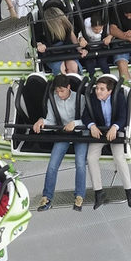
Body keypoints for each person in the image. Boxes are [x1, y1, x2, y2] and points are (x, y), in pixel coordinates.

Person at [34, 74, 89, 211]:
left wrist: (75, 123)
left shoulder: (81, 98)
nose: (59, 94)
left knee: (80, 162)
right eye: (57, 91)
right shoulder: (52, 99)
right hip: (63, 133)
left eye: (62, 91)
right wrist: (42, 121)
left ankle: (79, 196)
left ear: (69, 87)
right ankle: (46, 197)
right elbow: (51, 120)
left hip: (81, 134)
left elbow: (88, 120)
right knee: (52, 164)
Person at [85, 76, 131, 209]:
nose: (98, 91)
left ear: (109, 91)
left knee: (119, 157)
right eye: (97, 88)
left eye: (102, 89)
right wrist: (92, 125)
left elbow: (123, 116)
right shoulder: (92, 98)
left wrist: (115, 126)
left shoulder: (119, 98)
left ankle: (129, 191)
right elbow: (86, 115)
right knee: (91, 158)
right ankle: (98, 191)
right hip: (100, 131)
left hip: (116, 132)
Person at [36, 5, 86, 75]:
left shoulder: (66, 24)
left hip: (67, 49)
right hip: (51, 53)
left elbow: (73, 37)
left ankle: (76, 78)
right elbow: (35, 40)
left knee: (73, 68)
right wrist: (39, 45)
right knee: (62, 70)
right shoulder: (42, 27)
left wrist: (79, 49)